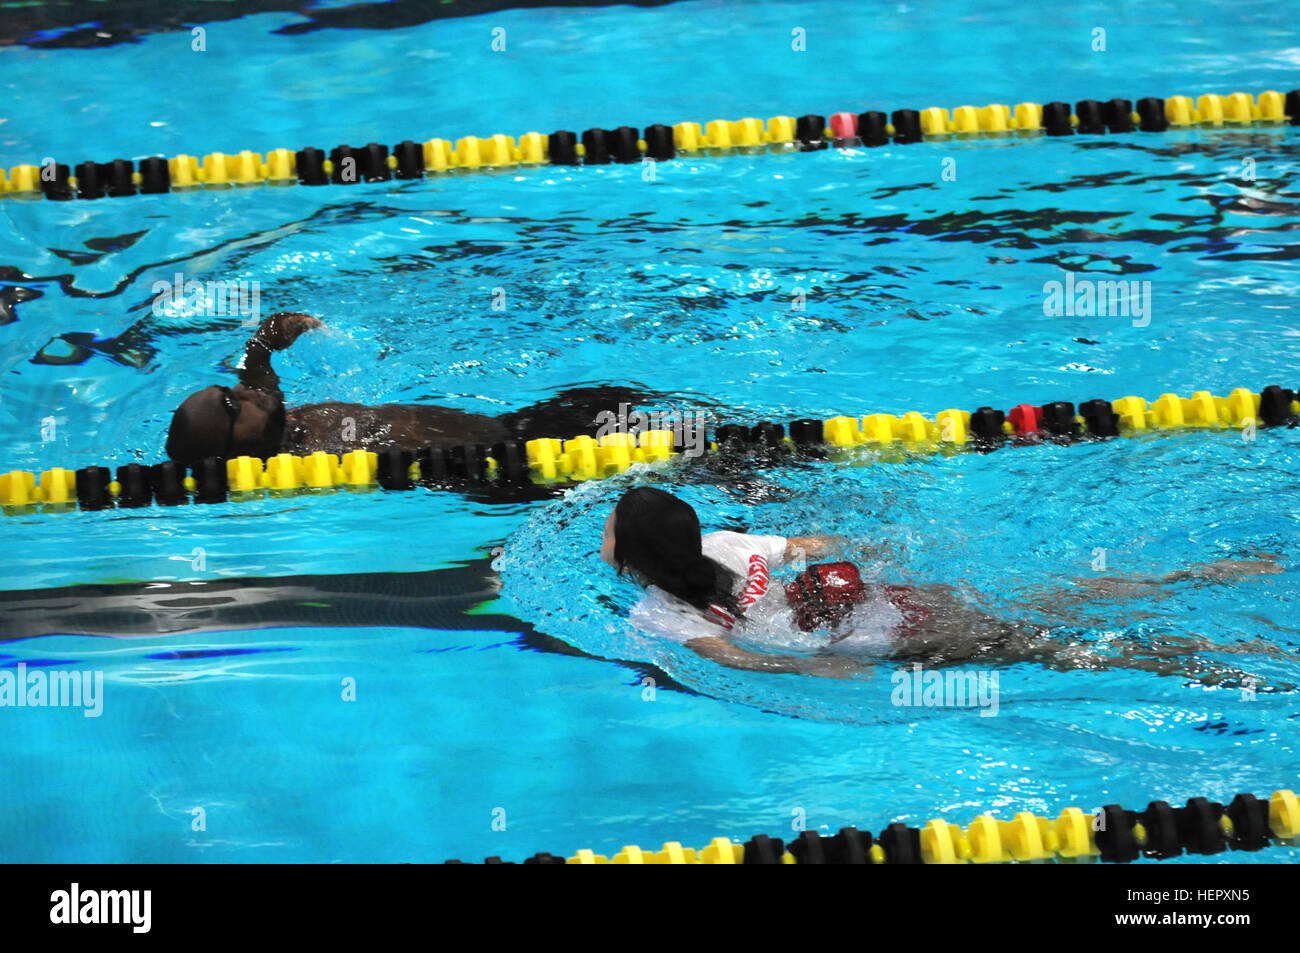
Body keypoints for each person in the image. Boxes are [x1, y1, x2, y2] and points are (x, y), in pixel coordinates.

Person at [600, 486, 1292, 685]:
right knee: (1064, 600)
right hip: (895, 596)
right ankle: (1209, 575)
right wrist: (874, 547)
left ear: (632, 558)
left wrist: (822, 670)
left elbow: (738, 658)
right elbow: (818, 547)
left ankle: (1232, 660)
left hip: (881, 635)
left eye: (610, 527)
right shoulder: (726, 541)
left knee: (1054, 648)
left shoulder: (654, 614)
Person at [164, 313, 668, 467]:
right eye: (232, 406)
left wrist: (268, 337)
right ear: (235, 451)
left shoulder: (274, 415)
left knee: (622, 397)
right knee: (669, 453)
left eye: (229, 389)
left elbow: (256, 368)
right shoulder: (305, 458)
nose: (243, 392)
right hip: (510, 466)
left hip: (514, 426)